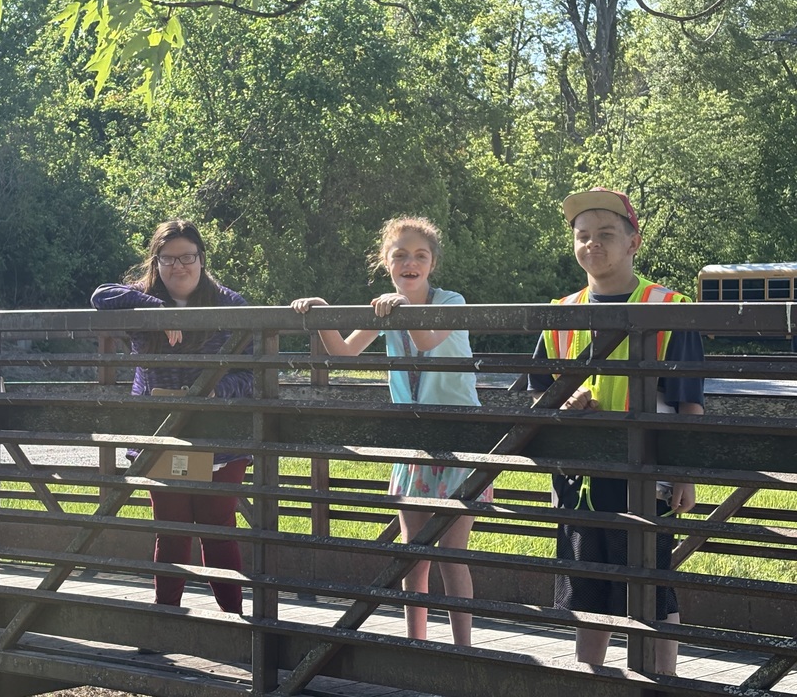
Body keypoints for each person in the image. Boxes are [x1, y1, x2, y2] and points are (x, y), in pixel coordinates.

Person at [527, 187, 704, 675]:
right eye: (583, 235)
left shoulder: (668, 306)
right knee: (586, 590)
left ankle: (661, 680)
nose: (592, 244)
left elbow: (689, 403)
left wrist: (684, 474)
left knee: (651, 588)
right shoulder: (561, 310)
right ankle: (592, 682)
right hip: (579, 480)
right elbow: (538, 394)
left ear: (633, 242)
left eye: (606, 234)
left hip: (644, 477)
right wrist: (565, 401)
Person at [291, 216, 490, 646]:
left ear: (432, 263)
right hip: (413, 445)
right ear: (386, 262)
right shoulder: (385, 307)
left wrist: (400, 308)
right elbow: (344, 352)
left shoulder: (451, 301)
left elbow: (427, 341)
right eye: (399, 255)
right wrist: (322, 310)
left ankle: (464, 651)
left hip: (459, 443)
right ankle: (415, 644)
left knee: (451, 555)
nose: (409, 263)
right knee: (412, 555)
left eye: (420, 255)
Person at [91, 219, 253, 616]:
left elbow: (251, 374)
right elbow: (100, 295)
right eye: (168, 259)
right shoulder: (143, 298)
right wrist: (157, 312)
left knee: (218, 529)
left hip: (220, 439)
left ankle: (234, 619)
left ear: (202, 259)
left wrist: (217, 389)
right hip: (160, 435)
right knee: (171, 529)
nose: (178, 266)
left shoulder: (230, 305)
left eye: (187, 257)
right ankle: (166, 618)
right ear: (156, 261)